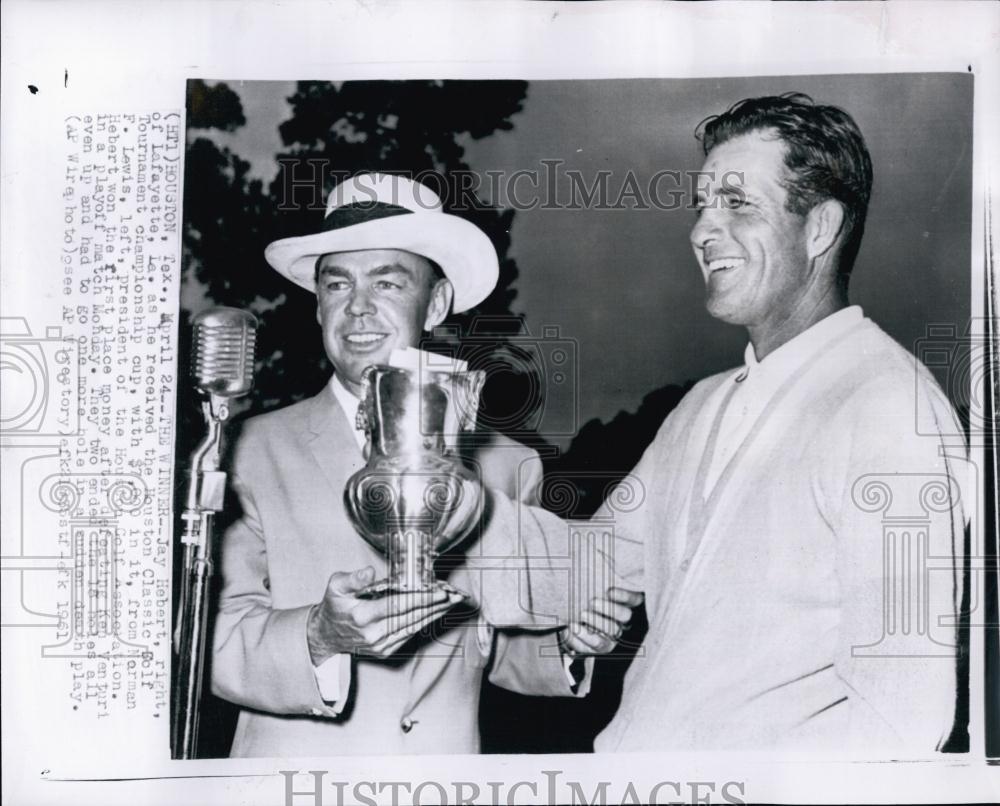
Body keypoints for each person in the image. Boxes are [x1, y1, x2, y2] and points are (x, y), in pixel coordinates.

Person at [484, 94, 967, 754]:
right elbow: (584, 567)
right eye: (701, 204)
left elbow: (904, 725)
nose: (701, 230)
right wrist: (443, 512)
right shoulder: (699, 408)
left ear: (821, 227)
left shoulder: (886, 408)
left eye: (737, 202)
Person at [210, 172, 642, 757]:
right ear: (318, 305)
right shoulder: (245, 450)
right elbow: (210, 644)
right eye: (338, 285)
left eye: (388, 283)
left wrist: (568, 639)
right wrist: (318, 635)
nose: (358, 308)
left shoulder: (506, 464)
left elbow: (502, 650)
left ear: (435, 303)